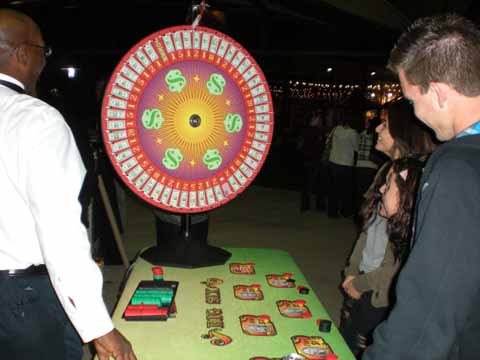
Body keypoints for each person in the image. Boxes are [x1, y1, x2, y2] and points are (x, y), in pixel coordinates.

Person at [0, 9, 136, 360]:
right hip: (22, 300)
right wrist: (100, 329)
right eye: (42, 52)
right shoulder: (35, 119)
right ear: (22, 54)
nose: (43, 63)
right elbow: (60, 234)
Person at [364, 14, 480, 359]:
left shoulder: (458, 166)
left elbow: (430, 308)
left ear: (440, 93)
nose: (415, 115)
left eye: (413, 101)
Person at [340, 157, 424, 358]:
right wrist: (351, 274)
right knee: (346, 337)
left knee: (364, 343)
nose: (380, 189)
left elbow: (391, 271)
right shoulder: (380, 211)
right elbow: (361, 243)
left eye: (388, 185)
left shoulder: (408, 233)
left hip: (376, 294)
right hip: (360, 281)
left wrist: (360, 284)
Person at [327, 110, 359, 218]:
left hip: (334, 161)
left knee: (334, 189)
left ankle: (332, 211)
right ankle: (345, 211)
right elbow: (356, 148)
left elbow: (328, 142)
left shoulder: (336, 129)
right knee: (346, 190)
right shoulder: (353, 133)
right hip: (346, 163)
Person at [298, 109, 326, 212]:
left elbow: (300, 145)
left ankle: (305, 205)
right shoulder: (319, 132)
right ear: (315, 119)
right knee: (319, 183)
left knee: (306, 183)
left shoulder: (305, 130)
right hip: (316, 160)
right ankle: (319, 205)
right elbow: (322, 146)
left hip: (307, 159)